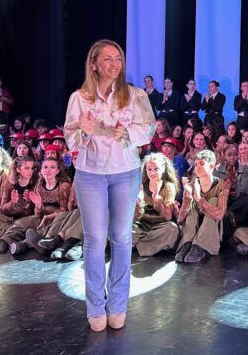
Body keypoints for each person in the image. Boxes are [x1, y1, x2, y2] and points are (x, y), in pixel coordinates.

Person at [63, 39, 156, 332]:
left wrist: (127, 132)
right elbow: (70, 141)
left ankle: (117, 304)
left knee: (121, 238)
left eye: (118, 58)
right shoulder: (79, 99)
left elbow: (149, 129)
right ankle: (95, 306)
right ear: (93, 64)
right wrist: (84, 132)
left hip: (125, 172)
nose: (114, 64)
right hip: (90, 173)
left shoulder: (135, 95)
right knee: (94, 240)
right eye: (107, 59)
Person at [175, 150, 229, 263]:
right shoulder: (191, 185)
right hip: (196, 228)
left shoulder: (222, 185)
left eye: (202, 164)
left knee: (213, 201)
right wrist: (187, 198)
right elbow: (180, 219)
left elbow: (220, 214)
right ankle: (188, 243)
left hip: (216, 228)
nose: (197, 167)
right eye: (196, 164)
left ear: (211, 166)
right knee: (192, 204)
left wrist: (200, 199)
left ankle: (200, 246)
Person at [132, 153, 181, 257]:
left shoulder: (168, 186)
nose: (152, 172)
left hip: (161, 225)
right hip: (143, 225)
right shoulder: (141, 185)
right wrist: (137, 204)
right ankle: (148, 246)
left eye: (156, 169)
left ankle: (139, 246)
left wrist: (158, 200)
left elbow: (168, 216)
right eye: (149, 169)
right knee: (123, 233)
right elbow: (136, 218)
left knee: (172, 229)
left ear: (163, 169)